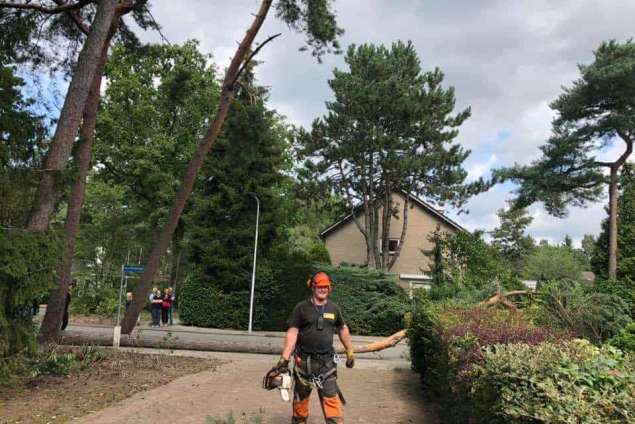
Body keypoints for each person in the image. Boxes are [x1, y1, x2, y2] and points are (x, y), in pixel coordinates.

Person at [270, 271, 355, 424]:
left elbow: (342, 329)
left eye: (326, 287)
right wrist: (284, 358)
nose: (323, 290)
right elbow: (292, 332)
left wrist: (350, 350)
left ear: (330, 288)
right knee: (300, 404)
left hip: (326, 365)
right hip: (303, 364)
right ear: (312, 287)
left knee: (331, 402)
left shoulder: (334, 308)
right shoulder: (301, 308)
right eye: (320, 287)